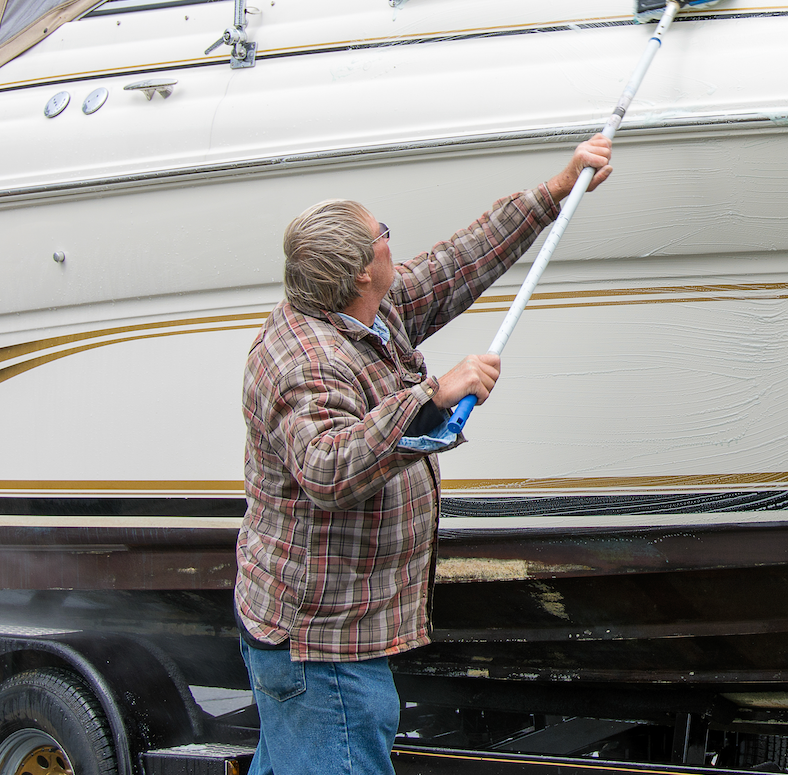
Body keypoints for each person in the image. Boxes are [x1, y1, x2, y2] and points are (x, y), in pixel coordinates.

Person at [233, 136, 613, 775]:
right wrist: (431, 395)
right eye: (382, 231)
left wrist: (554, 192)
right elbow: (328, 467)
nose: (391, 238)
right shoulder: (309, 361)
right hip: (321, 648)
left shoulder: (364, 312)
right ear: (360, 271)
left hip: (327, 635)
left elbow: (453, 264)